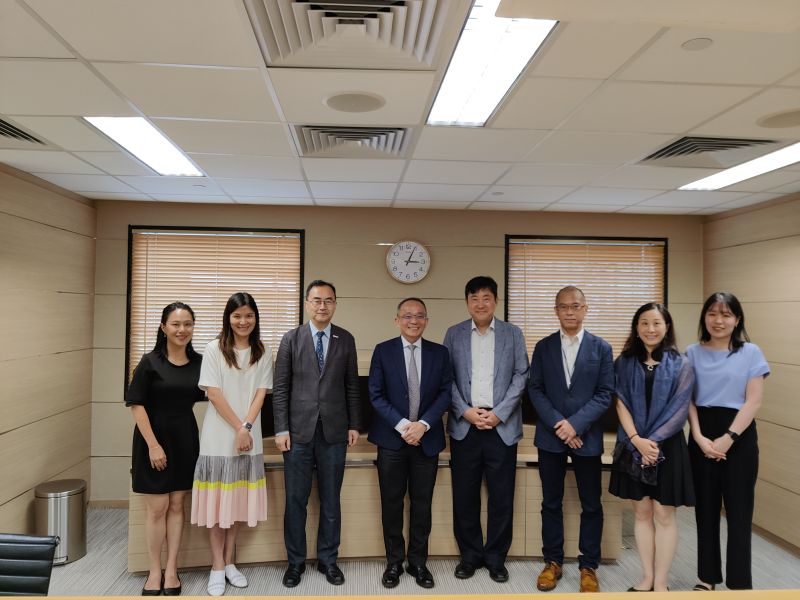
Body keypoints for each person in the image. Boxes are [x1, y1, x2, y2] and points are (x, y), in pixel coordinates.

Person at [272, 280, 362, 588]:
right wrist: (280, 428)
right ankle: (295, 563)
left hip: (334, 432)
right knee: (295, 501)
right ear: (307, 303)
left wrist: (354, 425)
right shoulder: (291, 339)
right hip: (297, 433)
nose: (322, 305)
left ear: (335, 304)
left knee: (330, 500)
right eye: (316, 300)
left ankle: (328, 560)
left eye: (328, 300)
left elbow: (352, 386)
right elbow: (281, 388)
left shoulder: (345, 339)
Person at [443, 276, 529, 583]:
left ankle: (495, 558)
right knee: (465, 495)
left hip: (500, 426)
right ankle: (470, 556)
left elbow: (521, 375)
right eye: (475, 298)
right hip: (465, 426)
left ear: (496, 301)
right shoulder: (453, 334)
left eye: (487, 297)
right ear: (467, 302)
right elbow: (446, 379)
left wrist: (499, 414)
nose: (481, 303)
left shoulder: (512, 333)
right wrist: (465, 411)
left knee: (501, 496)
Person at [528, 286, 614, 593]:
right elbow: (535, 389)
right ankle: (552, 562)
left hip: (586, 437)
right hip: (550, 438)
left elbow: (605, 393)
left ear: (585, 309)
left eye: (575, 306)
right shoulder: (543, 346)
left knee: (591, 504)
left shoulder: (601, 348)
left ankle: (588, 566)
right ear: (556, 311)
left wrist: (575, 426)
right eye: (563, 307)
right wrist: (559, 425)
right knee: (551, 502)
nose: (570, 312)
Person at [609, 303, 695, 592]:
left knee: (664, 515)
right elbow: (619, 401)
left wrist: (652, 443)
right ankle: (646, 578)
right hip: (633, 445)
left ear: (667, 326)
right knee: (642, 513)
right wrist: (636, 440)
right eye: (644, 323)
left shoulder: (681, 363)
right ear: (636, 327)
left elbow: (680, 409)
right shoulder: (623, 362)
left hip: (667, 448)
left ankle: (661, 582)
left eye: (656, 323)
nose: (650, 329)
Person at [191, 292, 273, 596]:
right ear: (228, 318)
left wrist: (246, 428)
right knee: (216, 509)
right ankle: (215, 567)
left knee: (236, 504)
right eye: (237, 316)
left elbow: (260, 394)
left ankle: (229, 563)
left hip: (248, 438)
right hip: (217, 439)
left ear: (256, 319)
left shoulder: (262, 351)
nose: (243, 321)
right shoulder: (214, 349)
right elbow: (213, 393)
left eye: (249, 316)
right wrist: (239, 428)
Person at [686, 292, 769, 591]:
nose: (718, 321)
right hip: (701, 434)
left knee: (739, 512)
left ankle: (739, 582)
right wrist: (697, 436)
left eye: (726, 314)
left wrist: (728, 438)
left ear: (737, 320)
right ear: (704, 317)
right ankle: (706, 577)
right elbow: (688, 401)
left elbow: (754, 401)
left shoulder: (751, 353)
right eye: (712, 313)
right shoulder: (692, 353)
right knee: (705, 511)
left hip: (740, 437)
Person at [368, 297, 452, 589]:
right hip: (392, 441)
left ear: (426, 321)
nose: (413, 321)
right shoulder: (383, 351)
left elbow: (445, 393)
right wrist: (405, 426)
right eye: (407, 316)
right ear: (396, 320)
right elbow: (376, 395)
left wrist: (423, 425)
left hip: (426, 441)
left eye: (419, 316)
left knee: (422, 504)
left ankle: (418, 562)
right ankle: (393, 563)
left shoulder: (440, 354)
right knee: (391, 504)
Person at [126, 302, 204, 596]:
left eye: (187, 324)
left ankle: (172, 569)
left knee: (176, 506)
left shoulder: (199, 362)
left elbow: (216, 392)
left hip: (185, 438)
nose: (182, 330)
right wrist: (154, 445)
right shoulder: (150, 362)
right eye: (175, 324)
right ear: (163, 328)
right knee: (157, 509)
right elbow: (136, 404)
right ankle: (154, 571)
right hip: (152, 441)